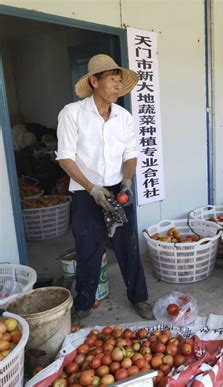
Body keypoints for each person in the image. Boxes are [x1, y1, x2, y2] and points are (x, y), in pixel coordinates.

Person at [56, 54, 153, 320]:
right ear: (94, 81)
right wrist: (91, 189)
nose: (118, 86)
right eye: (112, 80)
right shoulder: (72, 113)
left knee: (128, 247)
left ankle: (139, 298)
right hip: (86, 193)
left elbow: (131, 153)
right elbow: (65, 157)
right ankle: (83, 304)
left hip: (118, 191)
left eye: (120, 81)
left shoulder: (123, 116)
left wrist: (128, 180)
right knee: (89, 249)